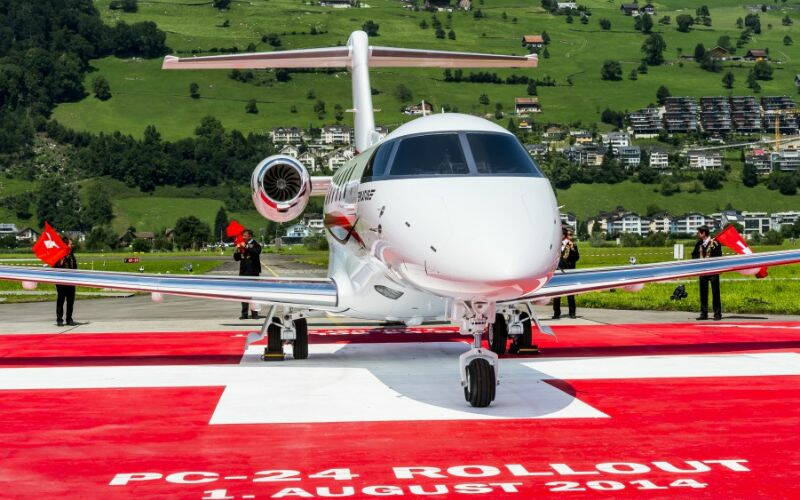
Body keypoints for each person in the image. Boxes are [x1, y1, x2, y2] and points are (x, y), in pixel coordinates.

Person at [691, 225, 722, 321]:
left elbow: (719, 256)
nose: (697, 234)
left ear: (703, 233)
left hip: (713, 271)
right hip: (703, 271)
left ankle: (717, 314)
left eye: (699, 232)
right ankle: (704, 314)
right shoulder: (699, 243)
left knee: (715, 293)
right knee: (703, 293)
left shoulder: (715, 243)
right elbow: (694, 255)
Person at [234, 229, 262, 319]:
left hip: (253, 272)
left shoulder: (255, 244)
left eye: (245, 235)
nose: (243, 237)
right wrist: (237, 250)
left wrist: (246, 246)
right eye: (243, 235)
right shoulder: (242, 245)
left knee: (254, 293)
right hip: (243, 272)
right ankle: (244, 314)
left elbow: (256, 252)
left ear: (250, 236)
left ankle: (255, 313)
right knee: (244, 293)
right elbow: (236, 258)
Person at [553, 227, 579, 319]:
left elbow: (576, 258)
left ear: (563, 235)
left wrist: (572, 250)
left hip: (568, 272)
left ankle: (572, 313)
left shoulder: (571, 245)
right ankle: (556, 313)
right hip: (558, 271)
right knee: (556, 295)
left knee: (570, 295)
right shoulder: (556, 245)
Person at [54, 237, 78, 327]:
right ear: (66, 245)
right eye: (70, 244)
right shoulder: (59, 255)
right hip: (61, 281)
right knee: (61, 300)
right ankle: (59, 319)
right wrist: (61, 261)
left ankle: (69, 319)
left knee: (70, 301)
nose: (72, 245)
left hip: (71, 281)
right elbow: (55, 266)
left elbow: (75, 267)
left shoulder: (72, 255)